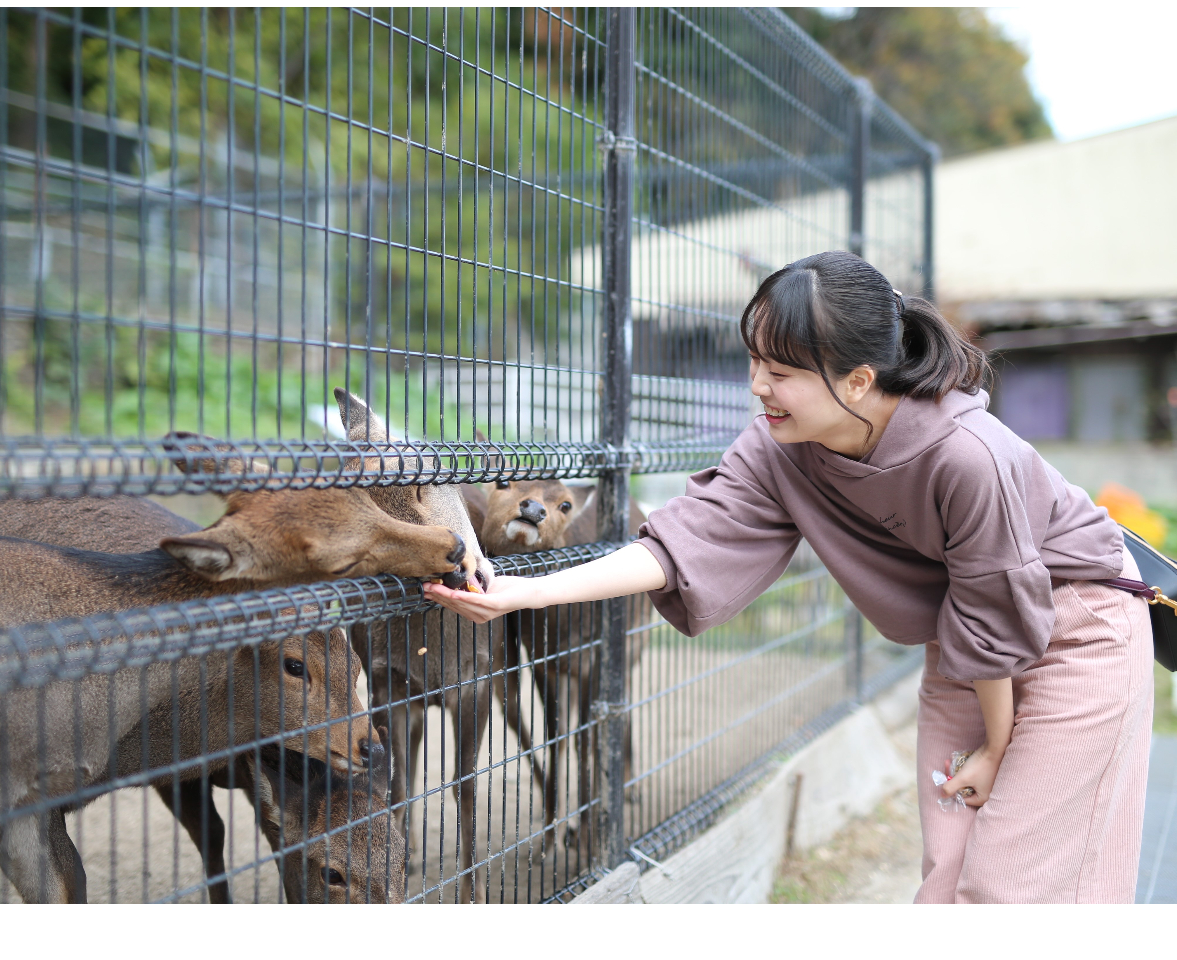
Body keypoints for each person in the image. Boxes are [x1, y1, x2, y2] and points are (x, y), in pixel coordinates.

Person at [425, 249, 1153, 904]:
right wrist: (530, 589)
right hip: (968, 646)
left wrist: (997, 748)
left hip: (1070, 631)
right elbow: (684, 541)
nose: (757, 386)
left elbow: (997, 608)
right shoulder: (783, 446)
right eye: (754, 363)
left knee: (1010, 890)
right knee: (951, 877)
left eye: (780, 371)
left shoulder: (965, 454)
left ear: (859, 379)